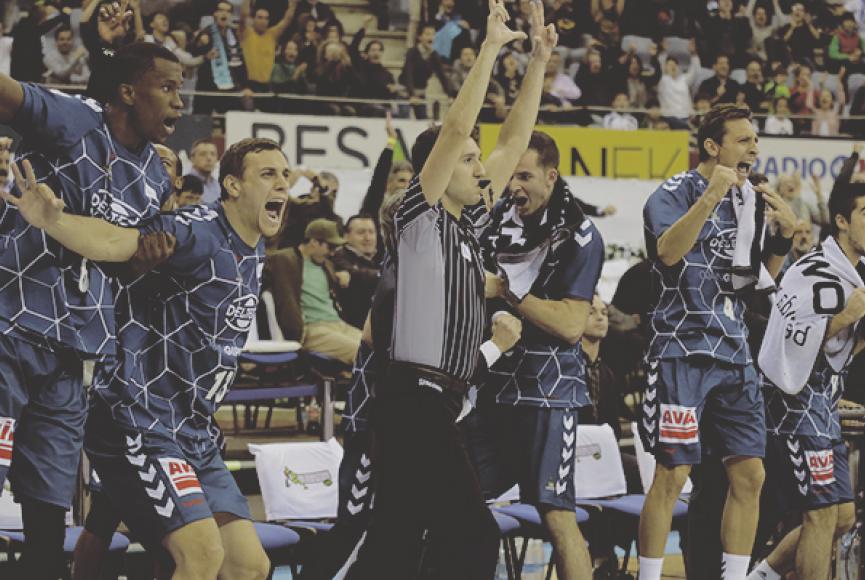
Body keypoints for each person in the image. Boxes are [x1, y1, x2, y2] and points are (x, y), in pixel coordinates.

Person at [4, 137, 289, 580]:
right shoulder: (195, 230)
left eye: (286, 174)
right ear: (232, 185)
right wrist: (53, 220)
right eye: (268, 174)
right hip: (140, 419)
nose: (283, 184)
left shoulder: (253, 246)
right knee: (198, 556)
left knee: (249, 566)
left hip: (194, 429)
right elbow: (114, 241)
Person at [347, 1, 549, 577]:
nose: (482, 169)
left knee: (395, 544)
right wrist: (489, 49)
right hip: (414, 401)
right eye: (467, 161)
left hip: (441, 402)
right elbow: (457, 128)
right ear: (435, 169)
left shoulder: (467, 225)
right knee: (473, 535)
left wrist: (538, 60)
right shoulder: (419, 220)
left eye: (478, 161)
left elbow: (513, 141)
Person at [0, 41, 182, 579]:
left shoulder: (155, 177)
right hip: (11, 329)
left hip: (76, 351)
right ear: (128, 92)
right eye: (167, 87)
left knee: (46, 515)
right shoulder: (76, 119)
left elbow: (115, 267)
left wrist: (143, 264)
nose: (179, 102)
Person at [638, 104, 798, 580]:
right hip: (681, 349)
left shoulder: (748, 202)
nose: (754, 149)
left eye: (755, 141)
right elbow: (667, 252)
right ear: (712, 146)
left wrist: (783, 240)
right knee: (673, 474)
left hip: (733, 351)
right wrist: (710, 196)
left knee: (751, 475)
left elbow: (752, 284)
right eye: (744, 140)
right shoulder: (671, 193)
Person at [469, 129, 603, 580]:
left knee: (556, 514)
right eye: (510, 176)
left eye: (524, 176)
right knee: (455, 496)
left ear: (551, 176)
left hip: (549, 394)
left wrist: (509, 291)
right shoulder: (494, 220)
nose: (514, 186)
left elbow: (570, 325)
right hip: (492, 389)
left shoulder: (581, 235)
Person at [748, 181, 865, 580]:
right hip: (792, 403)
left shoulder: (855, 274)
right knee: (821, 513)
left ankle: (760, 576)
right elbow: (789, 341)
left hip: (822, 406)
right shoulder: (812, 270)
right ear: (841, 221)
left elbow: (843, 350)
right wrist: (846, 316)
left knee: (842, 516)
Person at [265, 219, 361, 365]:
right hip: (313, 329)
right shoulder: (285, 260)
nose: (333, 252)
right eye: (331, 247)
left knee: (377, 347)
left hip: (339, 325)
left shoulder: (327, 265)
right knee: (361, 353)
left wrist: (342, 276)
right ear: (314, 242)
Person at [332, 214, 380, 329]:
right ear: (346, 236)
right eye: (361, 232)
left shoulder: (378, 257)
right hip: (353, 327)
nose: (367, 238)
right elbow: (359, 276)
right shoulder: (339, 257)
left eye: (371, 232)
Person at [240, 0, 297, 93]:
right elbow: (243, 15)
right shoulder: (246, 33)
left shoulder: (272, 34)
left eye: (266, 18)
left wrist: (293, 4)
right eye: (260, 17)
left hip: (267, 85)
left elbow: (287, 20)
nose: (263, 21)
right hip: (248, 85)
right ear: (253, 19)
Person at [186, 138, 222, 203]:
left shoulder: (218, 185)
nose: (209, 158)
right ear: (192, 158)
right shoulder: (184, 185)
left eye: (213, 154)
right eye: (203, 154)